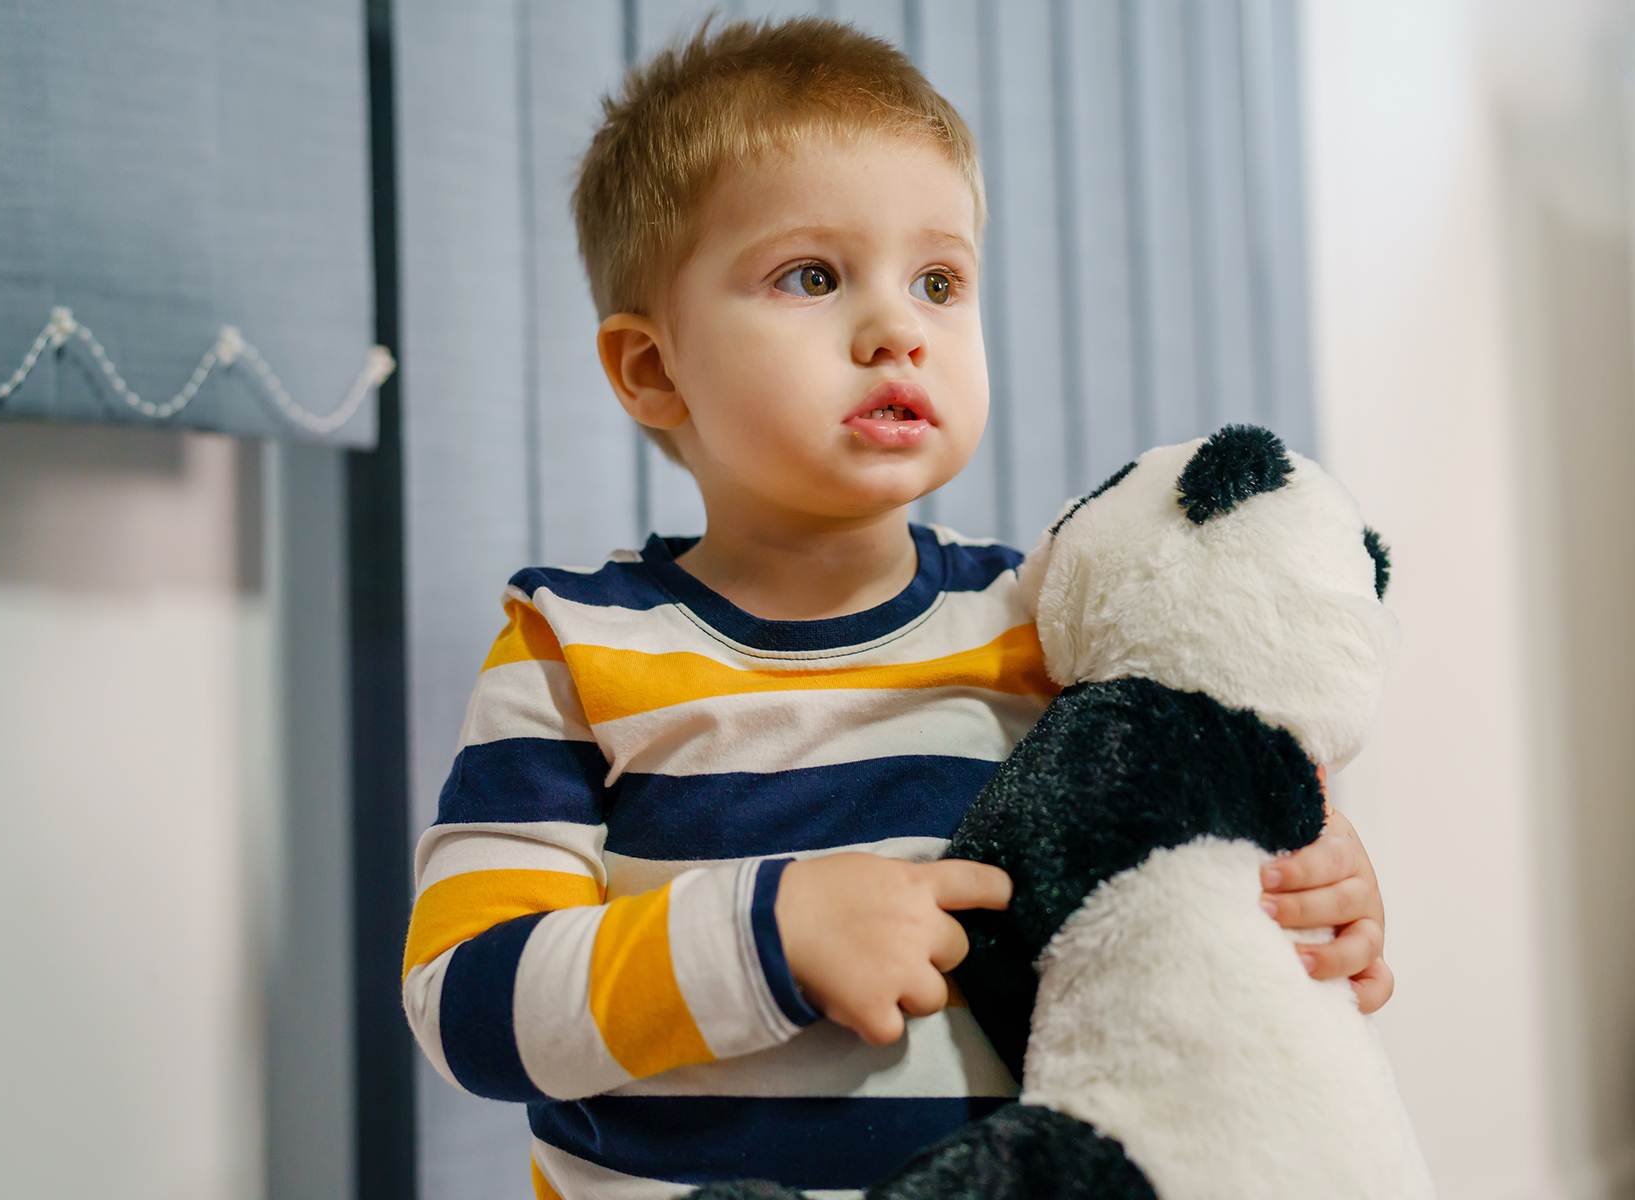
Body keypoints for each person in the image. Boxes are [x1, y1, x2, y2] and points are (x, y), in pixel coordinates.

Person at [400, 17, 1392, 1198]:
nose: (896, 329)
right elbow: (466, 1002)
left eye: (939, 280)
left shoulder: (1045, 622)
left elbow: (1186, 828)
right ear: (653, 368)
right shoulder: (574, 649)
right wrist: (765, 938)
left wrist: (1317, 878)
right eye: (811, 276)